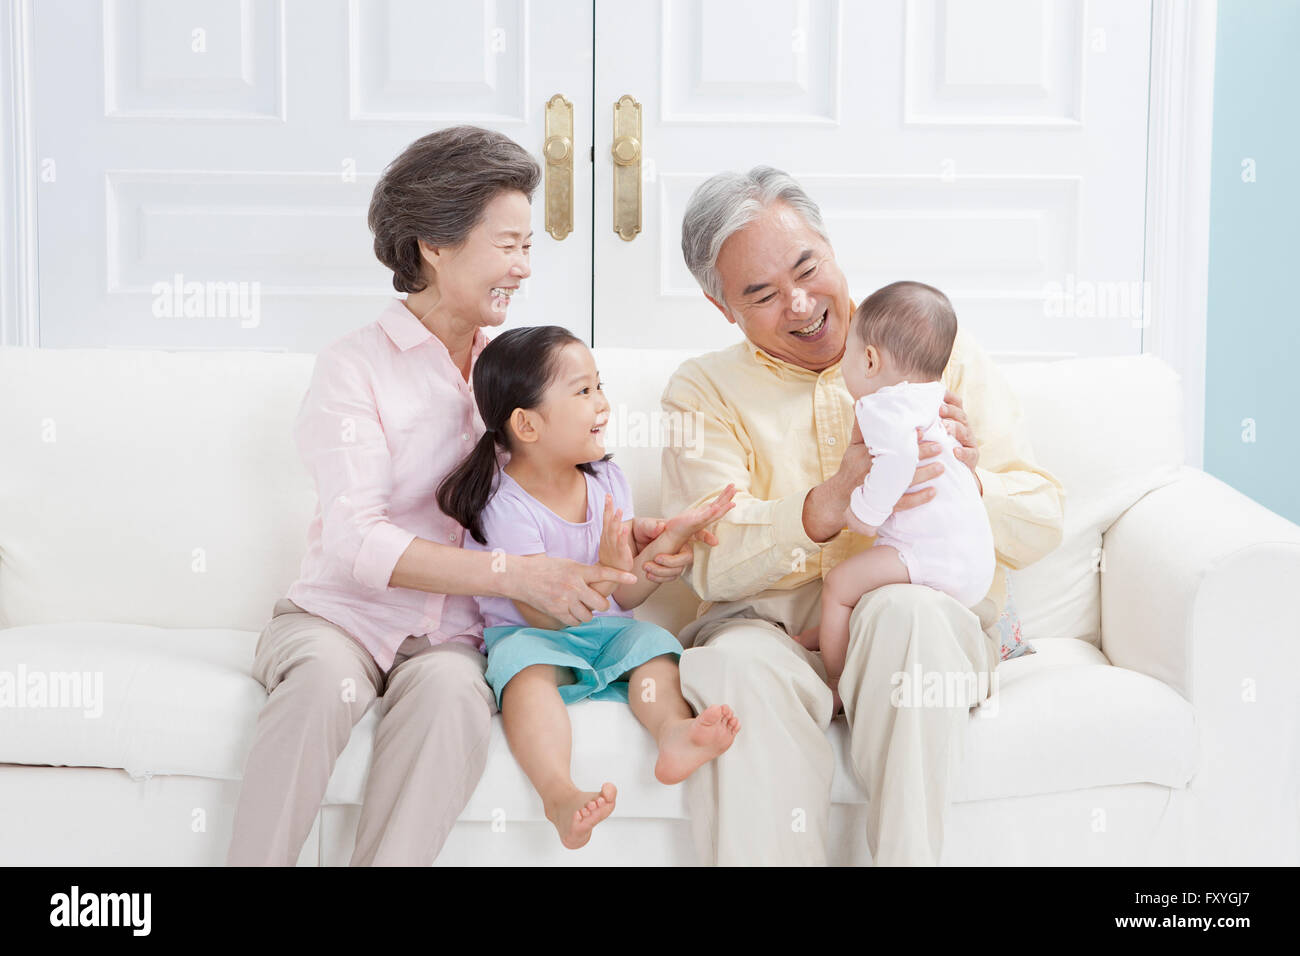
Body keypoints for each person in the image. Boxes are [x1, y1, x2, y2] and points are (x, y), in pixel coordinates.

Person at [227, 127, 693, 866]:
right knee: (319, 684)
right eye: (507, 245)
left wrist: (631, 542)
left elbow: (563, 484)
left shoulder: (514, 372)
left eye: (528, 247)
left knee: (451, 699)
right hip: (340, 616)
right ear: (434, 246)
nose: (523, 268)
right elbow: (355, 542)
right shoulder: (354, 368)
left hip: (452, 638)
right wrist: (513, 574)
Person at [662, 166, 1066, 865]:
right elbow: (708, 559)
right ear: (721, 306)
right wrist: (822, 506)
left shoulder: (939, 353)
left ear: (829, 246)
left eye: (807, 267)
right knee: (735, 669)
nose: (798, 303)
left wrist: (969, 482)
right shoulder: (702, 391)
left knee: (906, 616)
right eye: (761, 294)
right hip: (772, 633)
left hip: (919, 618)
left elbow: (1043, 520)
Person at [440, 325, 740, 849]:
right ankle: (559, 793)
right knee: (527, 677)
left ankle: (673, 734)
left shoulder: (605, 480)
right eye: (583, 391)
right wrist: (607, 572)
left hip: (604, 630)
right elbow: (540, 615)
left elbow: (623, 596)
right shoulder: (505, 506)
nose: (602, 403)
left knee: (652, 647)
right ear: (527, 425)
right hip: (535, 636)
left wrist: (659, 553)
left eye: (599, 386)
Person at [794, 281, 996, 715]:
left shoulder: (880, 406)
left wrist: (863, 513)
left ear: (868, 360)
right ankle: (821, 633)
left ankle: (836, 682)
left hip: (930, 557)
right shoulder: (936, 399)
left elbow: (899, 459)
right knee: (872, 590)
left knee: (840, 587)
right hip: (974, 567)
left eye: (847, 354)